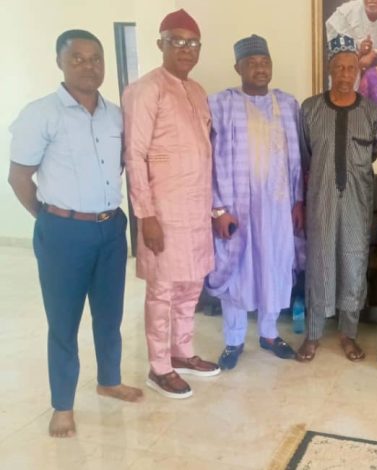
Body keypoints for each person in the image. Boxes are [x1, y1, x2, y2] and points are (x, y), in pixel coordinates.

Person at [8, 29, 143, 438]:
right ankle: (62, 405)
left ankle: (109, 379)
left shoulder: (116, 114)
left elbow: (120, 164)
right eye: (79, 58)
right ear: (60, 62)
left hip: (110, 228)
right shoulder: (41, 113)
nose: (89, 66)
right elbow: (19, 177)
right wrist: (49, 217)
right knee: (63, 322)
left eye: (96, 58)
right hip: (63, 231)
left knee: (110, 314)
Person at [123, 9, 221, 399]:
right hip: (161, 212)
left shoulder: (196, 90)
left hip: (195, 212)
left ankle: (182, 353)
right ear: (160, 43)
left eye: (192, 43)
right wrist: (145, 215)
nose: (186, 49)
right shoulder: (146, 89)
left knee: (190, 288)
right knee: (162, 291)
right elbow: (135, 155)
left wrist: (213, 209)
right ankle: (159, 367)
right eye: (177, 41)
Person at [206, 35, 304, 369]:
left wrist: (299, 201)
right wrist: (217, 209)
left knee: (274, 267)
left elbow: (299, 160)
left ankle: (268, 333)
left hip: (278, 208)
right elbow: (207, 159)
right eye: (252, 63)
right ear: (238, 67)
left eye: (265, 62)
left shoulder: (288, 104)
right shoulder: (219, 104)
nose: (260, 68)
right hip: (237, 209)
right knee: (237, 271)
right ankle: (234, 340)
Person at [297, 34, 377, 362]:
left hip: (357, 204)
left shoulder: (372, 112)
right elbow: (306, 154)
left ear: (358, 72)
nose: (346, 74)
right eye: (339, 68)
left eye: (351, 68)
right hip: (320, 202)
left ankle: (348, 334)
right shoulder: (310, 109)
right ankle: (314, 335)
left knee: (353, 264)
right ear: (330, 70)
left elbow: (373, 151)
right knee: (319, 264)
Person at [325, 0, 377, 72]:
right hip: (352, 72)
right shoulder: (344, 13)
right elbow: (336, 54)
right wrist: (359, 52)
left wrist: (374, 54)